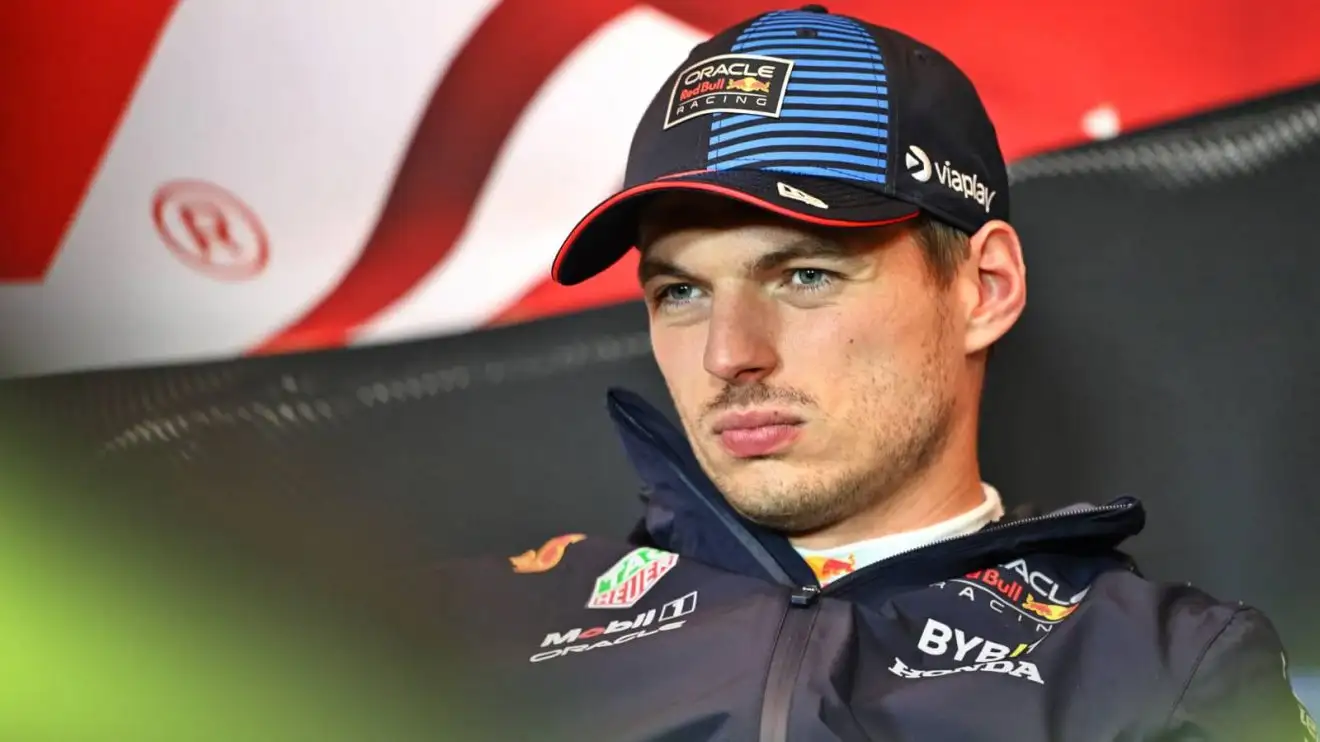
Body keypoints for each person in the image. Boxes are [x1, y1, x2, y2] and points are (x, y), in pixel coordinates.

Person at [437, 6, 1318, 741]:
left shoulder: (1163, 671)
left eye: (805, 276)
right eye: (681, 292)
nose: (727, 355)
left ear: (984, 288)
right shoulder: (469, 628)